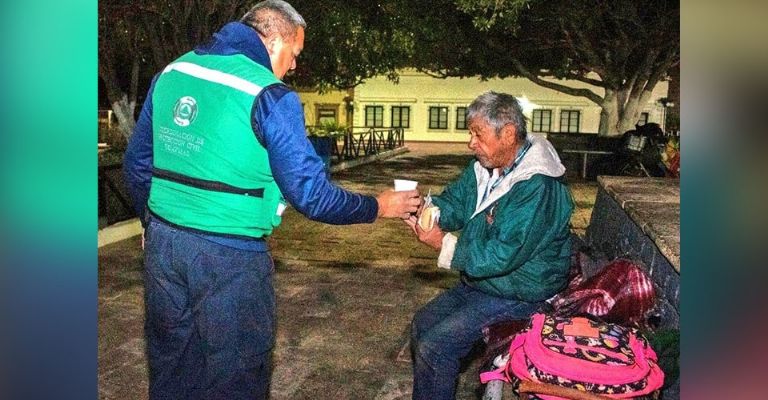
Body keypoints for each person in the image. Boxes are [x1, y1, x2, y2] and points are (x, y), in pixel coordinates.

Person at [123, 1, 421, 398]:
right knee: (238, 376)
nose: (294, 66)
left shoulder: (172, 73)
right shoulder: (270, 95)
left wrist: (151, 223)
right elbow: (311, 195)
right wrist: (379, 207)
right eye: (295, 54)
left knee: (173, 369)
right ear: (276, 39)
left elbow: (137, 164)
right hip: (228, 258)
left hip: (164, 247)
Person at [404, 91, 574, 400]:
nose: (471, 143)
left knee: (438, 345)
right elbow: (456, 202)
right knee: (422, 325)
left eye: (477, 134)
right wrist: (427, 210)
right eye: (471, 133)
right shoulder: (485, 167)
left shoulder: (538, 185)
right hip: (489, 283)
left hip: (523, 291)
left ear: (508, 134)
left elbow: (502, 255)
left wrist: (443, 243)